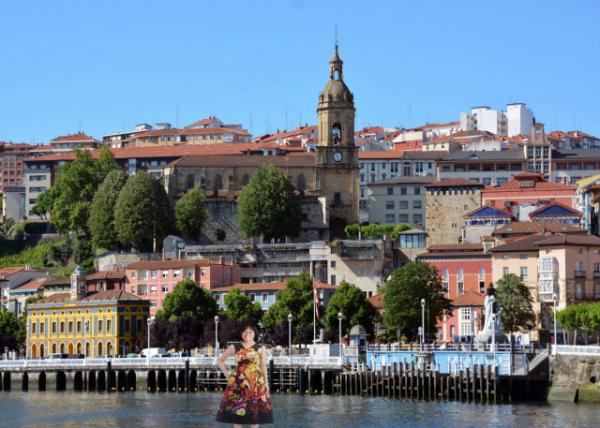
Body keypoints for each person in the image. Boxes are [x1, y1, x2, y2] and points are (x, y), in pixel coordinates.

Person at [216, 322, 273, 426]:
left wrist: (266, 384)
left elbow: (263, 366)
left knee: (255, 414)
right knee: (238, 414)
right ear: (241, 333)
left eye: (250, 331)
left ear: (254, 333)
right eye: (244, 331)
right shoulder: (235, 347)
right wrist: (228, 376)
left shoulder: (261, 348)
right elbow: (220, 361)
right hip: (239, 384)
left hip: (256, 384)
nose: (247, 334)